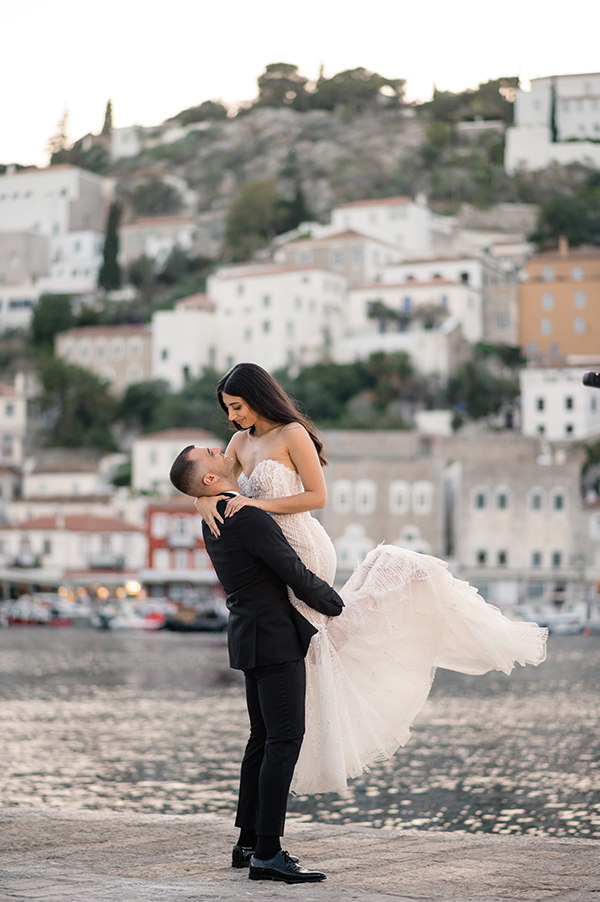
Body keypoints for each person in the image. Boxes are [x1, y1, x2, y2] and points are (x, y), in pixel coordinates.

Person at [194, 362, 548, 799]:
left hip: (300, 546)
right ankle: (274, 798)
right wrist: (201, 503)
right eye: (228, 410)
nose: (232, 417)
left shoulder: (291, 434)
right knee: (310, 654)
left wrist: (253, 506)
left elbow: (316, 496)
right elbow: (211, 480)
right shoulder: (236, 441)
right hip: (271, 553)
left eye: (237, 407)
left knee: (322, 634)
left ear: (258, 396)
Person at [170, 444, 343, 884]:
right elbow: (291, 570)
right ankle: (268, 853)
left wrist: (200, 497)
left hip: (249, 637)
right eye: (209, 452)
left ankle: (248, 843)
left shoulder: (212, 513)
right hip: (274, 639)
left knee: (262, 740)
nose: (217, 446)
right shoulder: (243, 514)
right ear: (210, 479)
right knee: (284, 741)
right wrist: (334, 604)